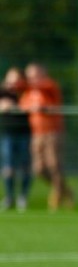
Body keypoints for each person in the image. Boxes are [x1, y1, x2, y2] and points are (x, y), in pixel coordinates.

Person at [19, 62, 73, 210]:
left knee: (54, 165)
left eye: (35, 75)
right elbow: (23, 105)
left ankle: (57, 195)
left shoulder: (49, 86)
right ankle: (65, 191)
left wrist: (43, 108)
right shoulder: (29, 92)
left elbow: (47, 97)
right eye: (29, 76)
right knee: (39, 169)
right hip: (37, 134)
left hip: (53, 132)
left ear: (43, 73)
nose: (32, 79)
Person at [1, 67, 32, 211]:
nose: (13, 83)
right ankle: (9, 197)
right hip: (8, 134)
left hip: (25, 133)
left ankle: (23, 197)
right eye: (11, 79)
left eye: (17, 79)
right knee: (9, 166)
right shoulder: (2, 92)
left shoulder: (27, 92)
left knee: (25, 166)